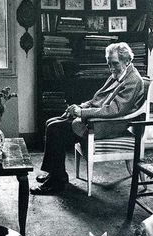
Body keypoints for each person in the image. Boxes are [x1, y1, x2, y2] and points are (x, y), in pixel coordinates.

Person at [30, 42, 144, 195]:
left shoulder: (133, 80)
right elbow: (97, 99)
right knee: (51, 122)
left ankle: (57, 181)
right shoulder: (118, 74)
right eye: (109, 64)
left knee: (56, 129)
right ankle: (56, 174)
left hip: (111, 124)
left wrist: (82, 113)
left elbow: (115, 110)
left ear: (127, 61)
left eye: (115, 64)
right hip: (99, 118)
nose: (111, 68)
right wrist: (79, 107)